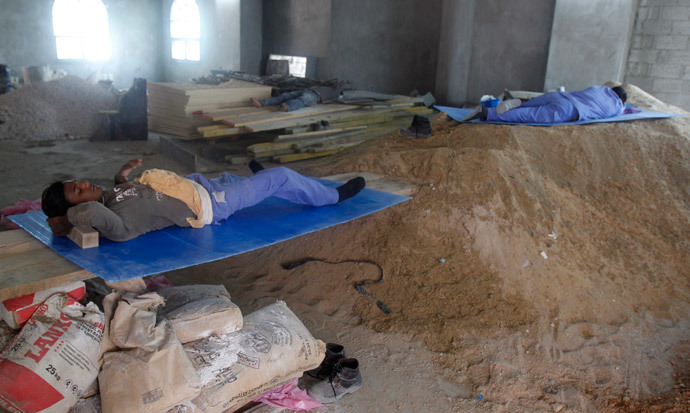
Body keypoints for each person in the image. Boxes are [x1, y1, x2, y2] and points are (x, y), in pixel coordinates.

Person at [42, 159, 366, 242]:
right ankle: (333, 196)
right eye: (78, 191)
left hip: (203, 185)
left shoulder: (111, 198)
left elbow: (124, 194)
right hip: (211, 204)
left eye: (78, 182)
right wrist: (65, 220)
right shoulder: (115, 223)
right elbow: (104, 219)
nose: (85, 184)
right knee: (278, 177)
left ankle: (264, 179)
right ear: (78, 209)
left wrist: (121, 176)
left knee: (254, 182)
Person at [463, 85, 627, 123]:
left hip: (561, 96)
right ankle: (489, 114)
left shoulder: (602, 89)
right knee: (530, 116)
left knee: (530, 105)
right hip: (569, 109)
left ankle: (518, 102)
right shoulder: (618, 106)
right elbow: (622, 111)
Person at [250, 82, 345, 112]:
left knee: (301, 100)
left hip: (315, 97)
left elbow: (339, 90)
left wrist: (343, 84)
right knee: (285, 95)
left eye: (336, 86)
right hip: (308, 90)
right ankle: (261, 103)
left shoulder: (334, 94)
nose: (334, 85)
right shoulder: (327, 87)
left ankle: (287, 107)